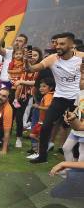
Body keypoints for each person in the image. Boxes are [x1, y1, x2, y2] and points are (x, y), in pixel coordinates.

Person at [25, 32, 81, 164]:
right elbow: (31, 69)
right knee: (46, 126)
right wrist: (27, 62)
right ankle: (42, 156)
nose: (58, 46)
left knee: (78, 128)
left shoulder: (81, 57)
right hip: (60, 96)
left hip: (77, 98)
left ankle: (78, 158)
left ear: (71, 45)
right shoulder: (52, 58)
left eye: (62, 44)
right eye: (57, 44)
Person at [28, 78, 55, 158]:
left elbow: (48, 108)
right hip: (41, 121)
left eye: (44, 86)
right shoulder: (46, 96)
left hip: (44, 122)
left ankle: (42, 149)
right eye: (40, 86)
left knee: (36, 136)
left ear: (50, 88)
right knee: (33, 135)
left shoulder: (48, 96)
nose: (41, 88)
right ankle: (41, 148)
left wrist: (38, 106)